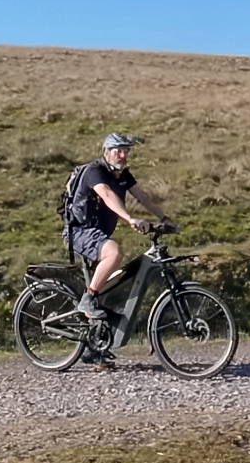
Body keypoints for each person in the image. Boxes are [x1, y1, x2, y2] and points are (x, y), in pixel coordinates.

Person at [66, 133, 173, 322]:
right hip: (81, 231)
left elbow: (142, 196)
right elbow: (107, 195)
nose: (123, 156)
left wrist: (163, 217)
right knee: (114, 254)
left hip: (100, 233)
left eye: (126, 151)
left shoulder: (123, 174)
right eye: (119, 151)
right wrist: (130, 219)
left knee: (106, 287)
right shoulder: (95, 171)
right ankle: (88, 299)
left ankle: (93, 344)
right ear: (107, 152)